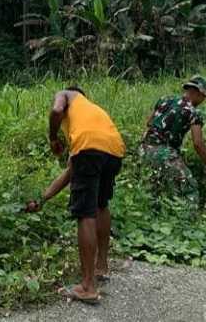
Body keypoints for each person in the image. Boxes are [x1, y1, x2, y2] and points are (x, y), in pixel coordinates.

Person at [25, 86, 125, 304]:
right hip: (115, 149)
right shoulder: (91, 116)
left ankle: (88, 287)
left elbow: (55, 110)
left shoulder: (68, 94)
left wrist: (52, 137)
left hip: (91, 148)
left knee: (85, 213)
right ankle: (101, 267)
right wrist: (42, 200)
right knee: (101, 205)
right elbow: (71, 173)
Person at [139, 75, 206, 206]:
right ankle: (188, 223)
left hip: (144, 148)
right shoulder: (193, 112)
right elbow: (198, 143)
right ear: (198, 93)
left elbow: (149, 122)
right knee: (189, 189)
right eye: (204, 96)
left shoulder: (165, 100)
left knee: (154, 189)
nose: (203, 100)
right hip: (163, 152)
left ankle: (155, 218)